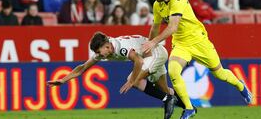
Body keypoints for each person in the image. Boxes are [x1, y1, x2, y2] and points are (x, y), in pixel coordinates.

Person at [142, 0, 252, 119]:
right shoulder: (157, 5)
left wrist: (153, 42)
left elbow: (173, 26)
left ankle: (240, 85)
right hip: (181, 44)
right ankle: (189, 108)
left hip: (198, 41)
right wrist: (149, 45)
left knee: (220, 74)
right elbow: (155, 27)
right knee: (173, 71)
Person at [47, 32, 183, 119]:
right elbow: (82, 68)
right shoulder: (104, 51)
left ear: (107, 46)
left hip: (156, 53)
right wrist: (63, 80)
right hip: (150, 56)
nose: (101, 56)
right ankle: (187, 107)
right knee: (164, 89)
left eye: (101, 53)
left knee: (133, 80)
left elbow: (138, 61)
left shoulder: (119, 47)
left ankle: (167, 98)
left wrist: (131, 82)